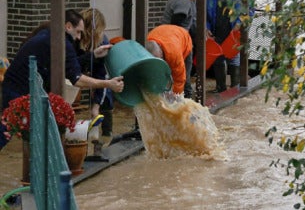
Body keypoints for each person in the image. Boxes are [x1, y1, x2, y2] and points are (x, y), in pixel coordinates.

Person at [0, 9, 124, 150]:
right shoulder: (63, 43)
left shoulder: (50, 32)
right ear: (68, 26)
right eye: (78, 32)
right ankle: (43, 166)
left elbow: (68, 64)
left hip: (22, 85)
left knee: (26, 129)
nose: (78, 37)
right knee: (8, 128)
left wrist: (93, 55)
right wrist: (109, 84)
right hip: (20, 88)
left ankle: (40, 166)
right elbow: (77, 79)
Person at [206, 0, 254, 93]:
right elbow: (204, 12)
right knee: (218, 58)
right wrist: (206, 28)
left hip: (233, 30)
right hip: (217, 29)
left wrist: (240, 22)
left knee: (234, 57)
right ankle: (220, 87)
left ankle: (234, 87)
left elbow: (250, 10)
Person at [76, 8, 114, 137]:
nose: (101, 34)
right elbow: (70, 66)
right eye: (99, 31)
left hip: (97, 72)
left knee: (106, 98)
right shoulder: (73, 39)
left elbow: (102, 75)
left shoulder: (103, 42)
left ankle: (106, 134)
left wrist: (96, 106)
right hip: (76, 71)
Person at [145, 24, 193, 98]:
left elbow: (179, 79)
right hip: (166, 33)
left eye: (159, 60)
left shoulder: (174, 54)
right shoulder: (146, 47)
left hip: (184, 38)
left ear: (161, 51)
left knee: (185, 78)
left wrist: (176, 99)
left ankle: (188, 97)